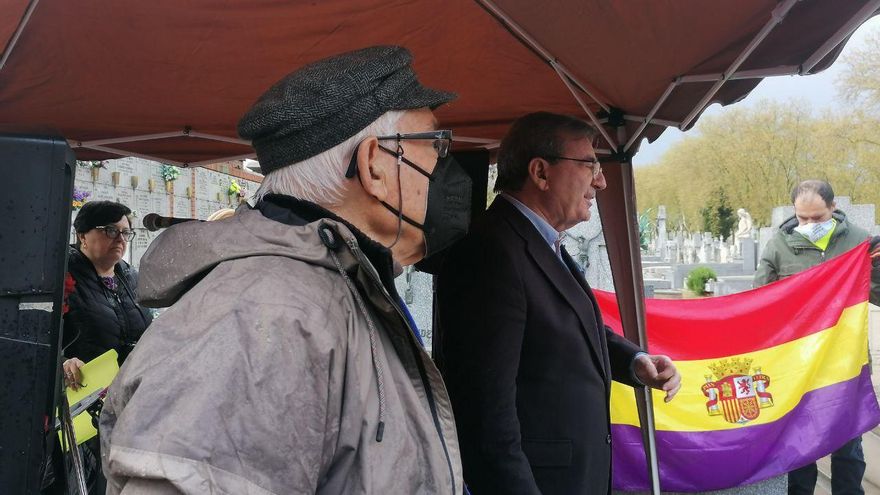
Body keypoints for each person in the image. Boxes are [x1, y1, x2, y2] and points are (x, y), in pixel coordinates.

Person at [100, 46, 471, 494]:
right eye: (435, 144)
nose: (446, 164)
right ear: (374, 164)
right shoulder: (262, 312)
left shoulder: (331, 286)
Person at [436, 111, 681, 495]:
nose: (599, 181)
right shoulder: (490, 252)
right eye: (589, 165)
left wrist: (635, 361)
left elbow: (570, 325)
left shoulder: (537, 241)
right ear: (540, 172)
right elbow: (485, 415)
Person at [755, 179, 880, 495]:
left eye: (818, 218)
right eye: (803, 218)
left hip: (846, 358)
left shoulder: (859, 243)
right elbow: (758, 301)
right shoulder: (778, 246)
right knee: (799, 440)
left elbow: (876, 294)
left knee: (848, 442)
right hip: (798, 362)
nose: (810, 224)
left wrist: (876, 269)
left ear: (833, 208)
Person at [60, 200, 152, 493]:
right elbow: (38, 332)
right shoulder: (62, 275)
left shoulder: (129, 276)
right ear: (83, 235)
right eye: (111, 231)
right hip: (82, 407)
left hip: (129, 404)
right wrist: (62, 359)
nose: (121, 239)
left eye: (126, 232)